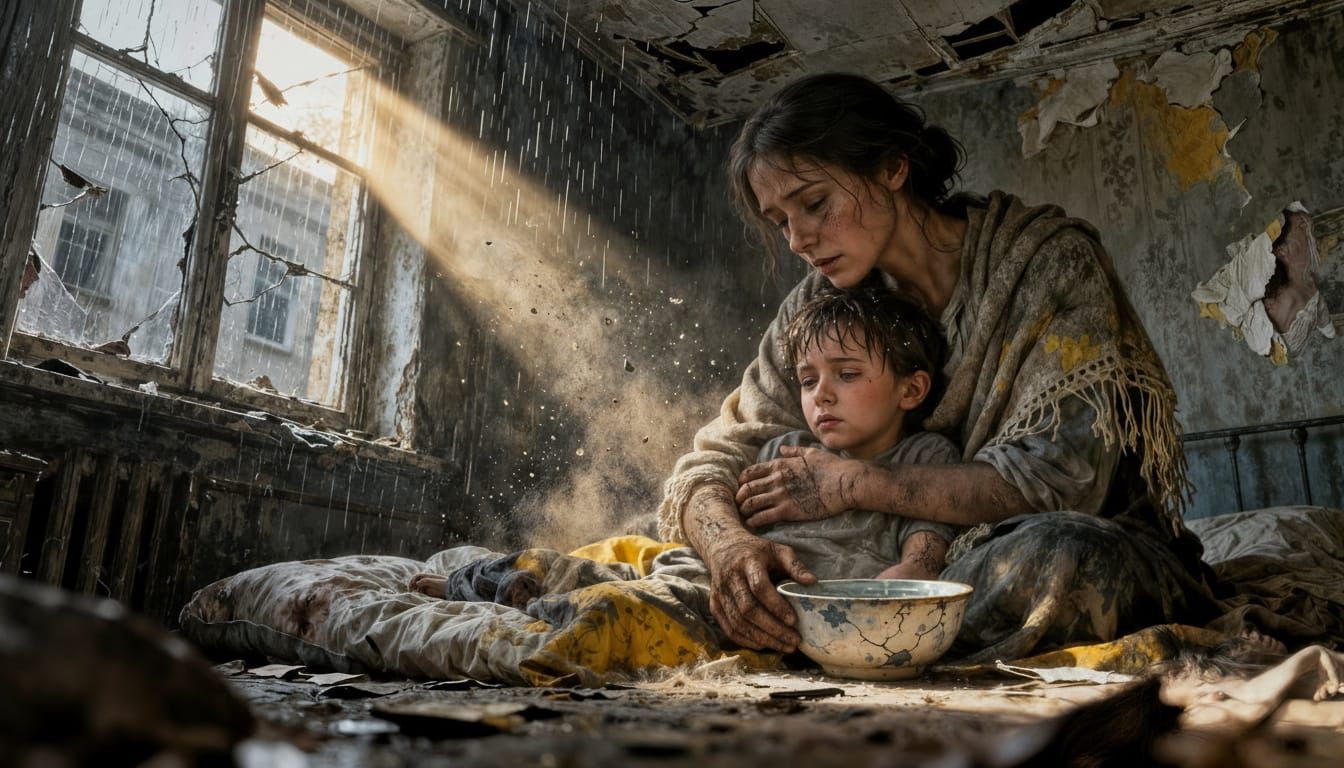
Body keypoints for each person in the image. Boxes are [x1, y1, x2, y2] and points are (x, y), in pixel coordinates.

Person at [656, 72, 1223, 661]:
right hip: (871, 565)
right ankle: (854, 632)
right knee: (681, 570)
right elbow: (717, 460)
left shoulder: (1047, 265)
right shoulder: (817, 307)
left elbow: (1060, 485)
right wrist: (730, 550)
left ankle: (849, 637)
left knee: (1063, 556)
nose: (797, 239)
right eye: (780, 221)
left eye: (815, 203)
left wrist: (853, 483)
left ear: (892, 169)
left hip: (1036, 547)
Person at [408, 282, 957, 602]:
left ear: (911, 389)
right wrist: (726, 547)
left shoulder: (924, 457)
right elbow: (728, 523)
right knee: (592, 569)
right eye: (808, 381)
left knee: (622, 607)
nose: (822, 396)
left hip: (795, 596)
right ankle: (478, 583)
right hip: (717, 574)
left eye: (847, 375)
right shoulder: (782, 449)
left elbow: (928, 534)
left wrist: (912, 572)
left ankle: (536, 605)